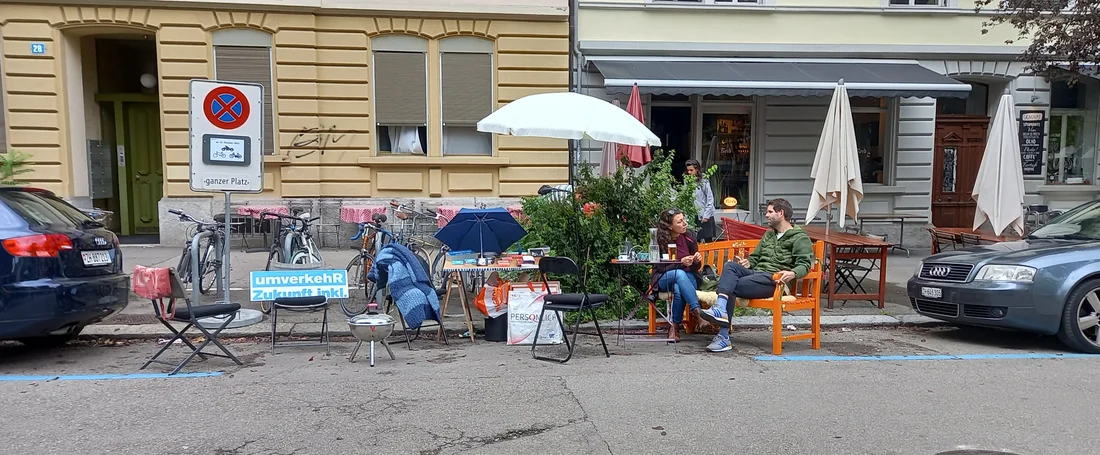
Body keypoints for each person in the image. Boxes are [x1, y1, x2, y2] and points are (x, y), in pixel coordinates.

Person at [698, 198, 814, 352]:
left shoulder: (799, 237)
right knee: (730, 266)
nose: (767, 215)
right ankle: (720, 309)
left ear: (781, 213)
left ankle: (723, 335)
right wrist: (748, 263)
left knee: (730, 286)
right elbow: (755, 258)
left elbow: (805, 264)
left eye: (770, 212)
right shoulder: (769, 235)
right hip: (756, 274)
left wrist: (793, 273)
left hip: (775, 280)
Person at [650, 208, 704, 343]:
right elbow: (661, 267)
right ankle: (698, 314)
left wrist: (697, 261)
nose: (685, 223)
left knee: (679, 287)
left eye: (684, 219)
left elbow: (695, 268)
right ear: (669, 226)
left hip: (688, 277)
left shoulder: (689, 236)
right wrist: (680, 263)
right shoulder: (660, 239)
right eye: (680, 222)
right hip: (664, 278)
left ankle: (674, 327)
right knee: (679, 274)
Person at [686, 159, 716, 242]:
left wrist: (706, 215)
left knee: (708, 240)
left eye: (691, 170)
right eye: (688, 170)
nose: (689, 172)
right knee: (695, 239)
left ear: (697, 169)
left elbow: (710, 198)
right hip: (694, 214)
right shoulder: (687, 181)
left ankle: (709, 255)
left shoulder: (703, 181)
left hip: (705, 214)